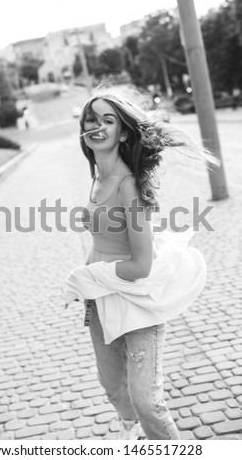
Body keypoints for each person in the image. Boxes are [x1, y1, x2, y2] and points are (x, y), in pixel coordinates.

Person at [62, 84, 218, 440]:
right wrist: (90, 289)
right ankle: (132, 435)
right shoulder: (98, 179)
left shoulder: (128, 186)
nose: (97, 126)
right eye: (91, 119)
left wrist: (84, 277)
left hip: (136, 299)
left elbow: (141, 266)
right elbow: (103, 240)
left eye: (108, 120)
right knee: (114, 389)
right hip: (101, 299)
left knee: (146, 401)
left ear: (122, 132)